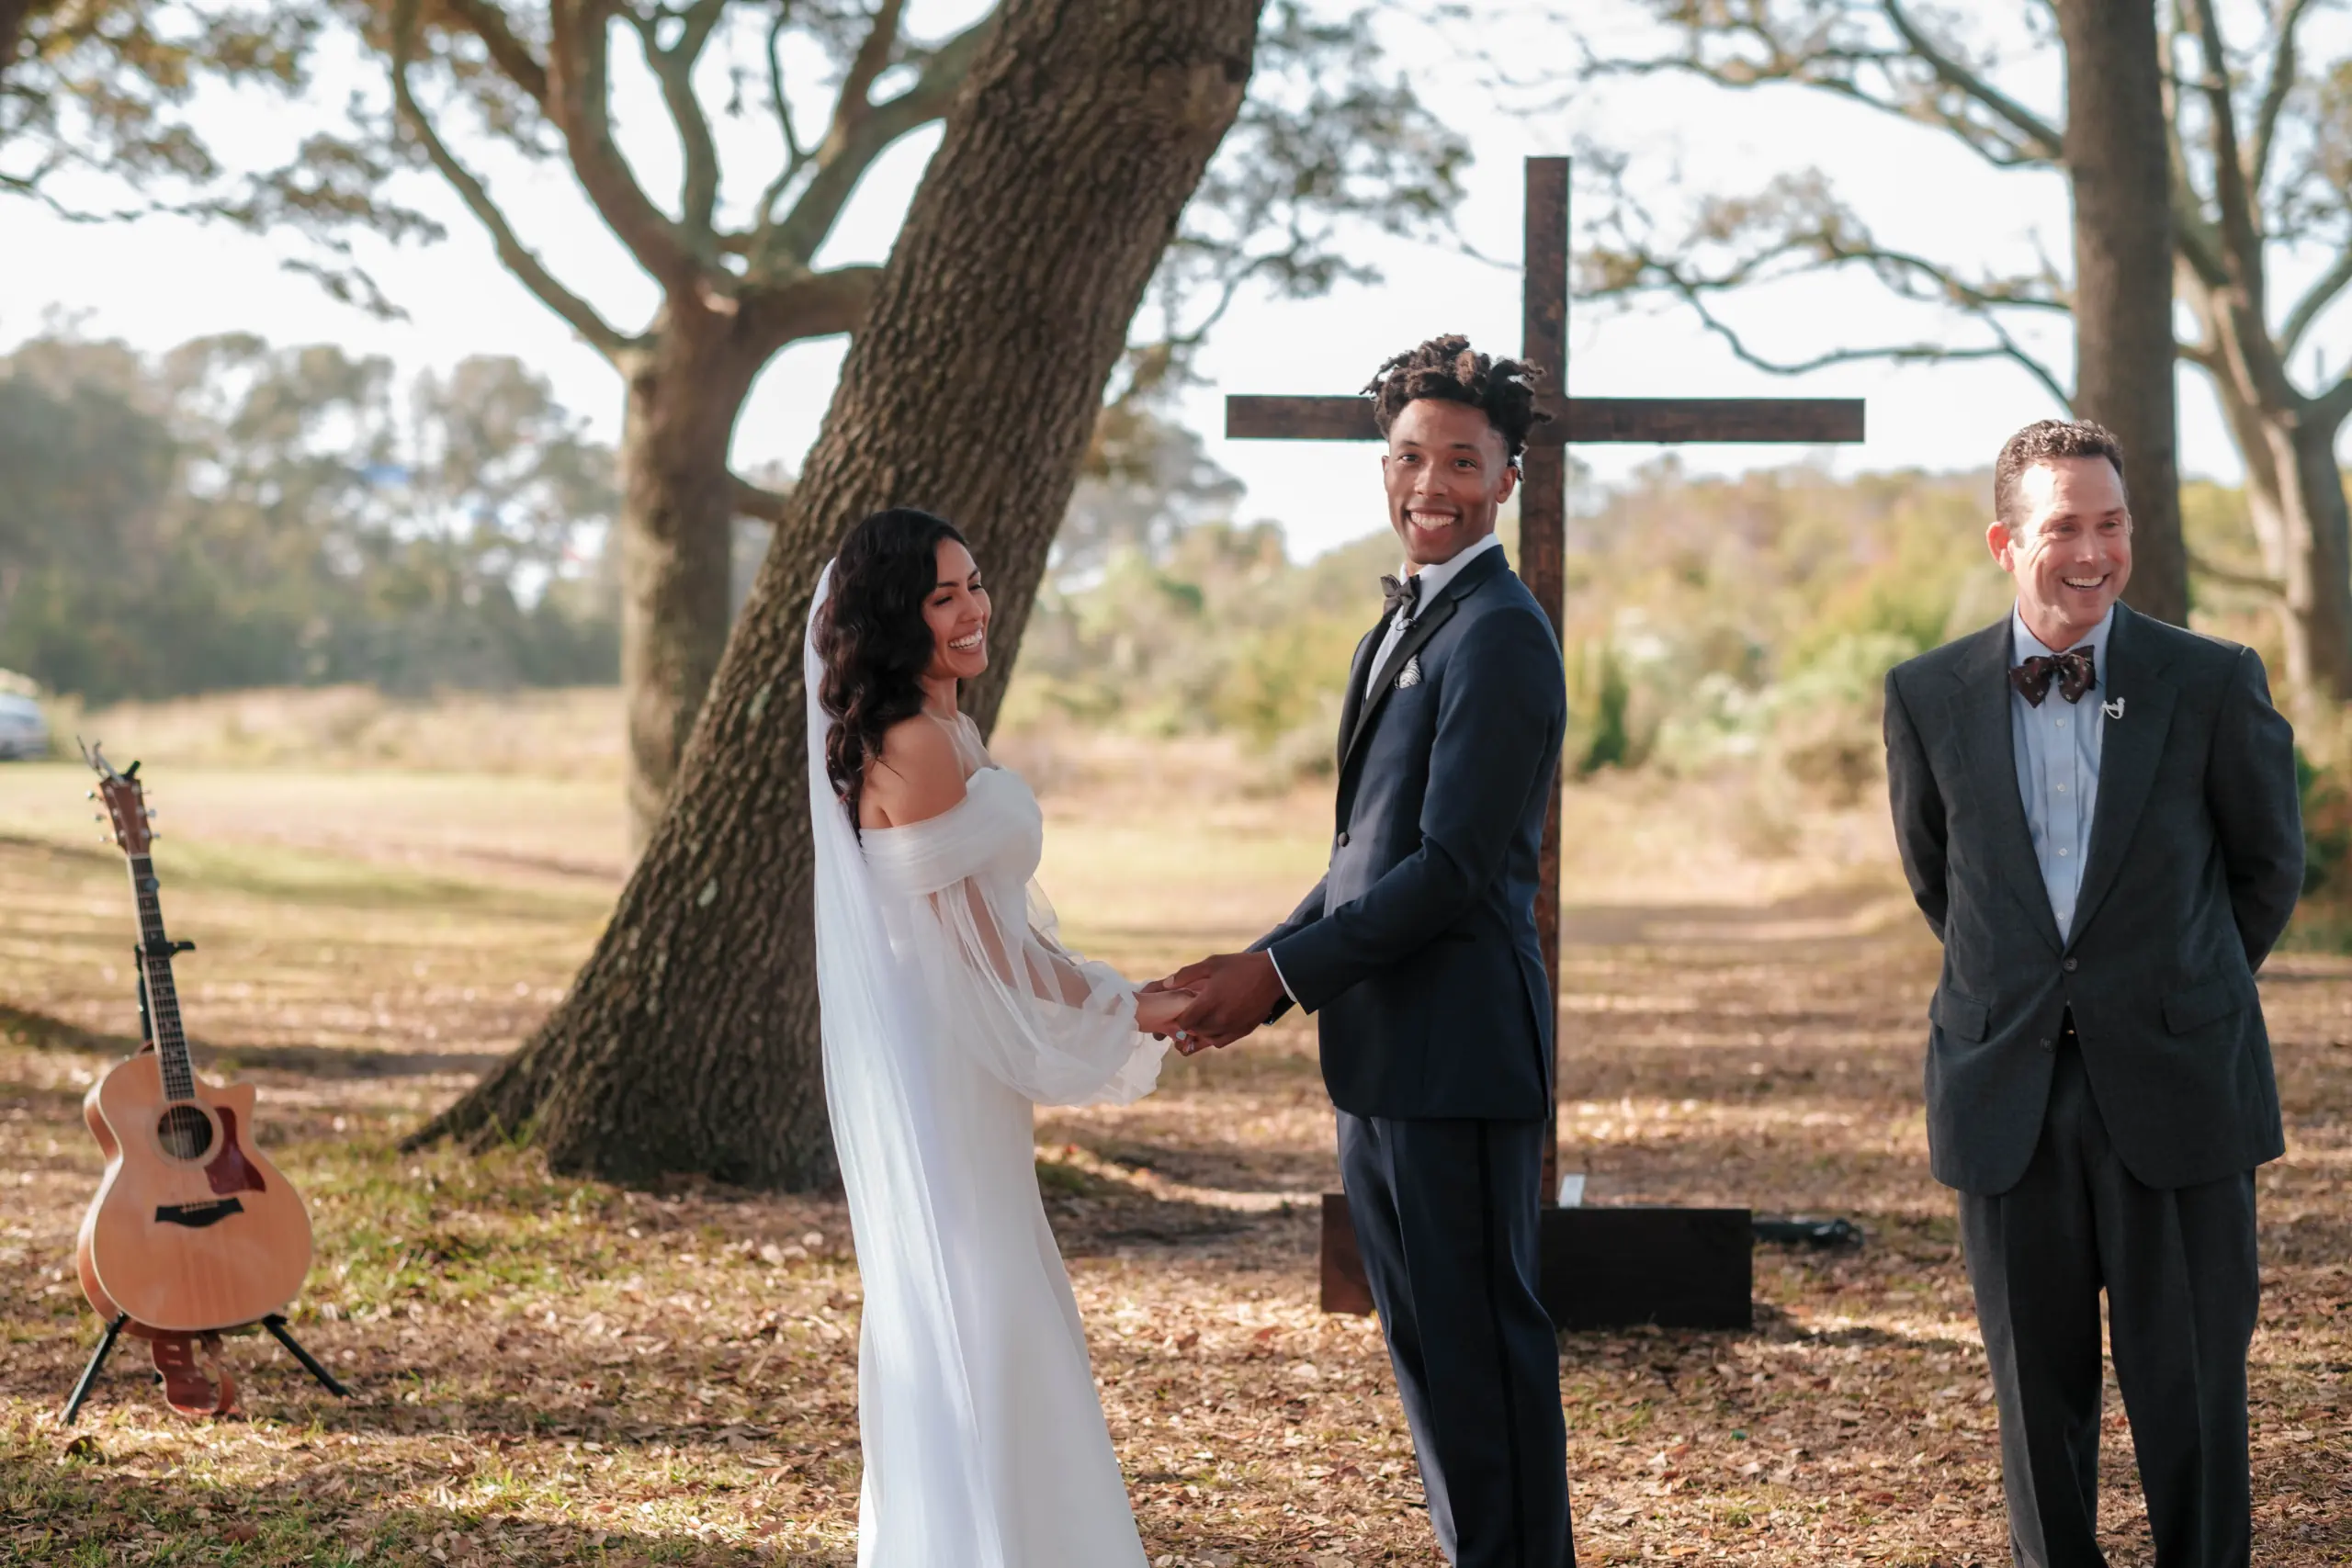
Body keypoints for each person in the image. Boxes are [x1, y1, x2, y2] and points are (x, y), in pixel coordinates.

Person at [1159, 336, 1575, 1568]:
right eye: (1407, 457)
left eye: (1460, 459)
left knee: (1479, 1358)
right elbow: (1364, 856)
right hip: (1388, 1053)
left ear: (1506, 475)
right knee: (1430, 1356)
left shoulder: (1500, 632)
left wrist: (1277, 980)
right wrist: (1253, 965)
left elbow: (1447, 871)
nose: (1428, 484)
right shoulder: (1401, 625)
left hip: (1458, 1058)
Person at [1882, 420, 2302, 1568]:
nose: (2092, 550)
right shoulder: (1926, 695)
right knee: (2035, 1404)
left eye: (2110, 524)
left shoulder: (2210, 682)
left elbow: (2268, 870)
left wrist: (2170, 989)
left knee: (2195, 1399)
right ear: (2004, 541)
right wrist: (2033, 993)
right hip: (2005, 1090)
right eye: (2064, 525)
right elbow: (1940, 880)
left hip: (2178, 1084)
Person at [803, 506, 1194, 1566]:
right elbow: (988, 955)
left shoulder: (942, 730)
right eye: (942, 596)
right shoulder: (919, 745)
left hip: (946, 1052)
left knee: (976, 1291)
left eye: (973, 582)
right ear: (895, 616)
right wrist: (1126, 1006)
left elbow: (993, 931)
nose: (973, 608)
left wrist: (1111, 991)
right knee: (977, 1296)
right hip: (943, 1060)